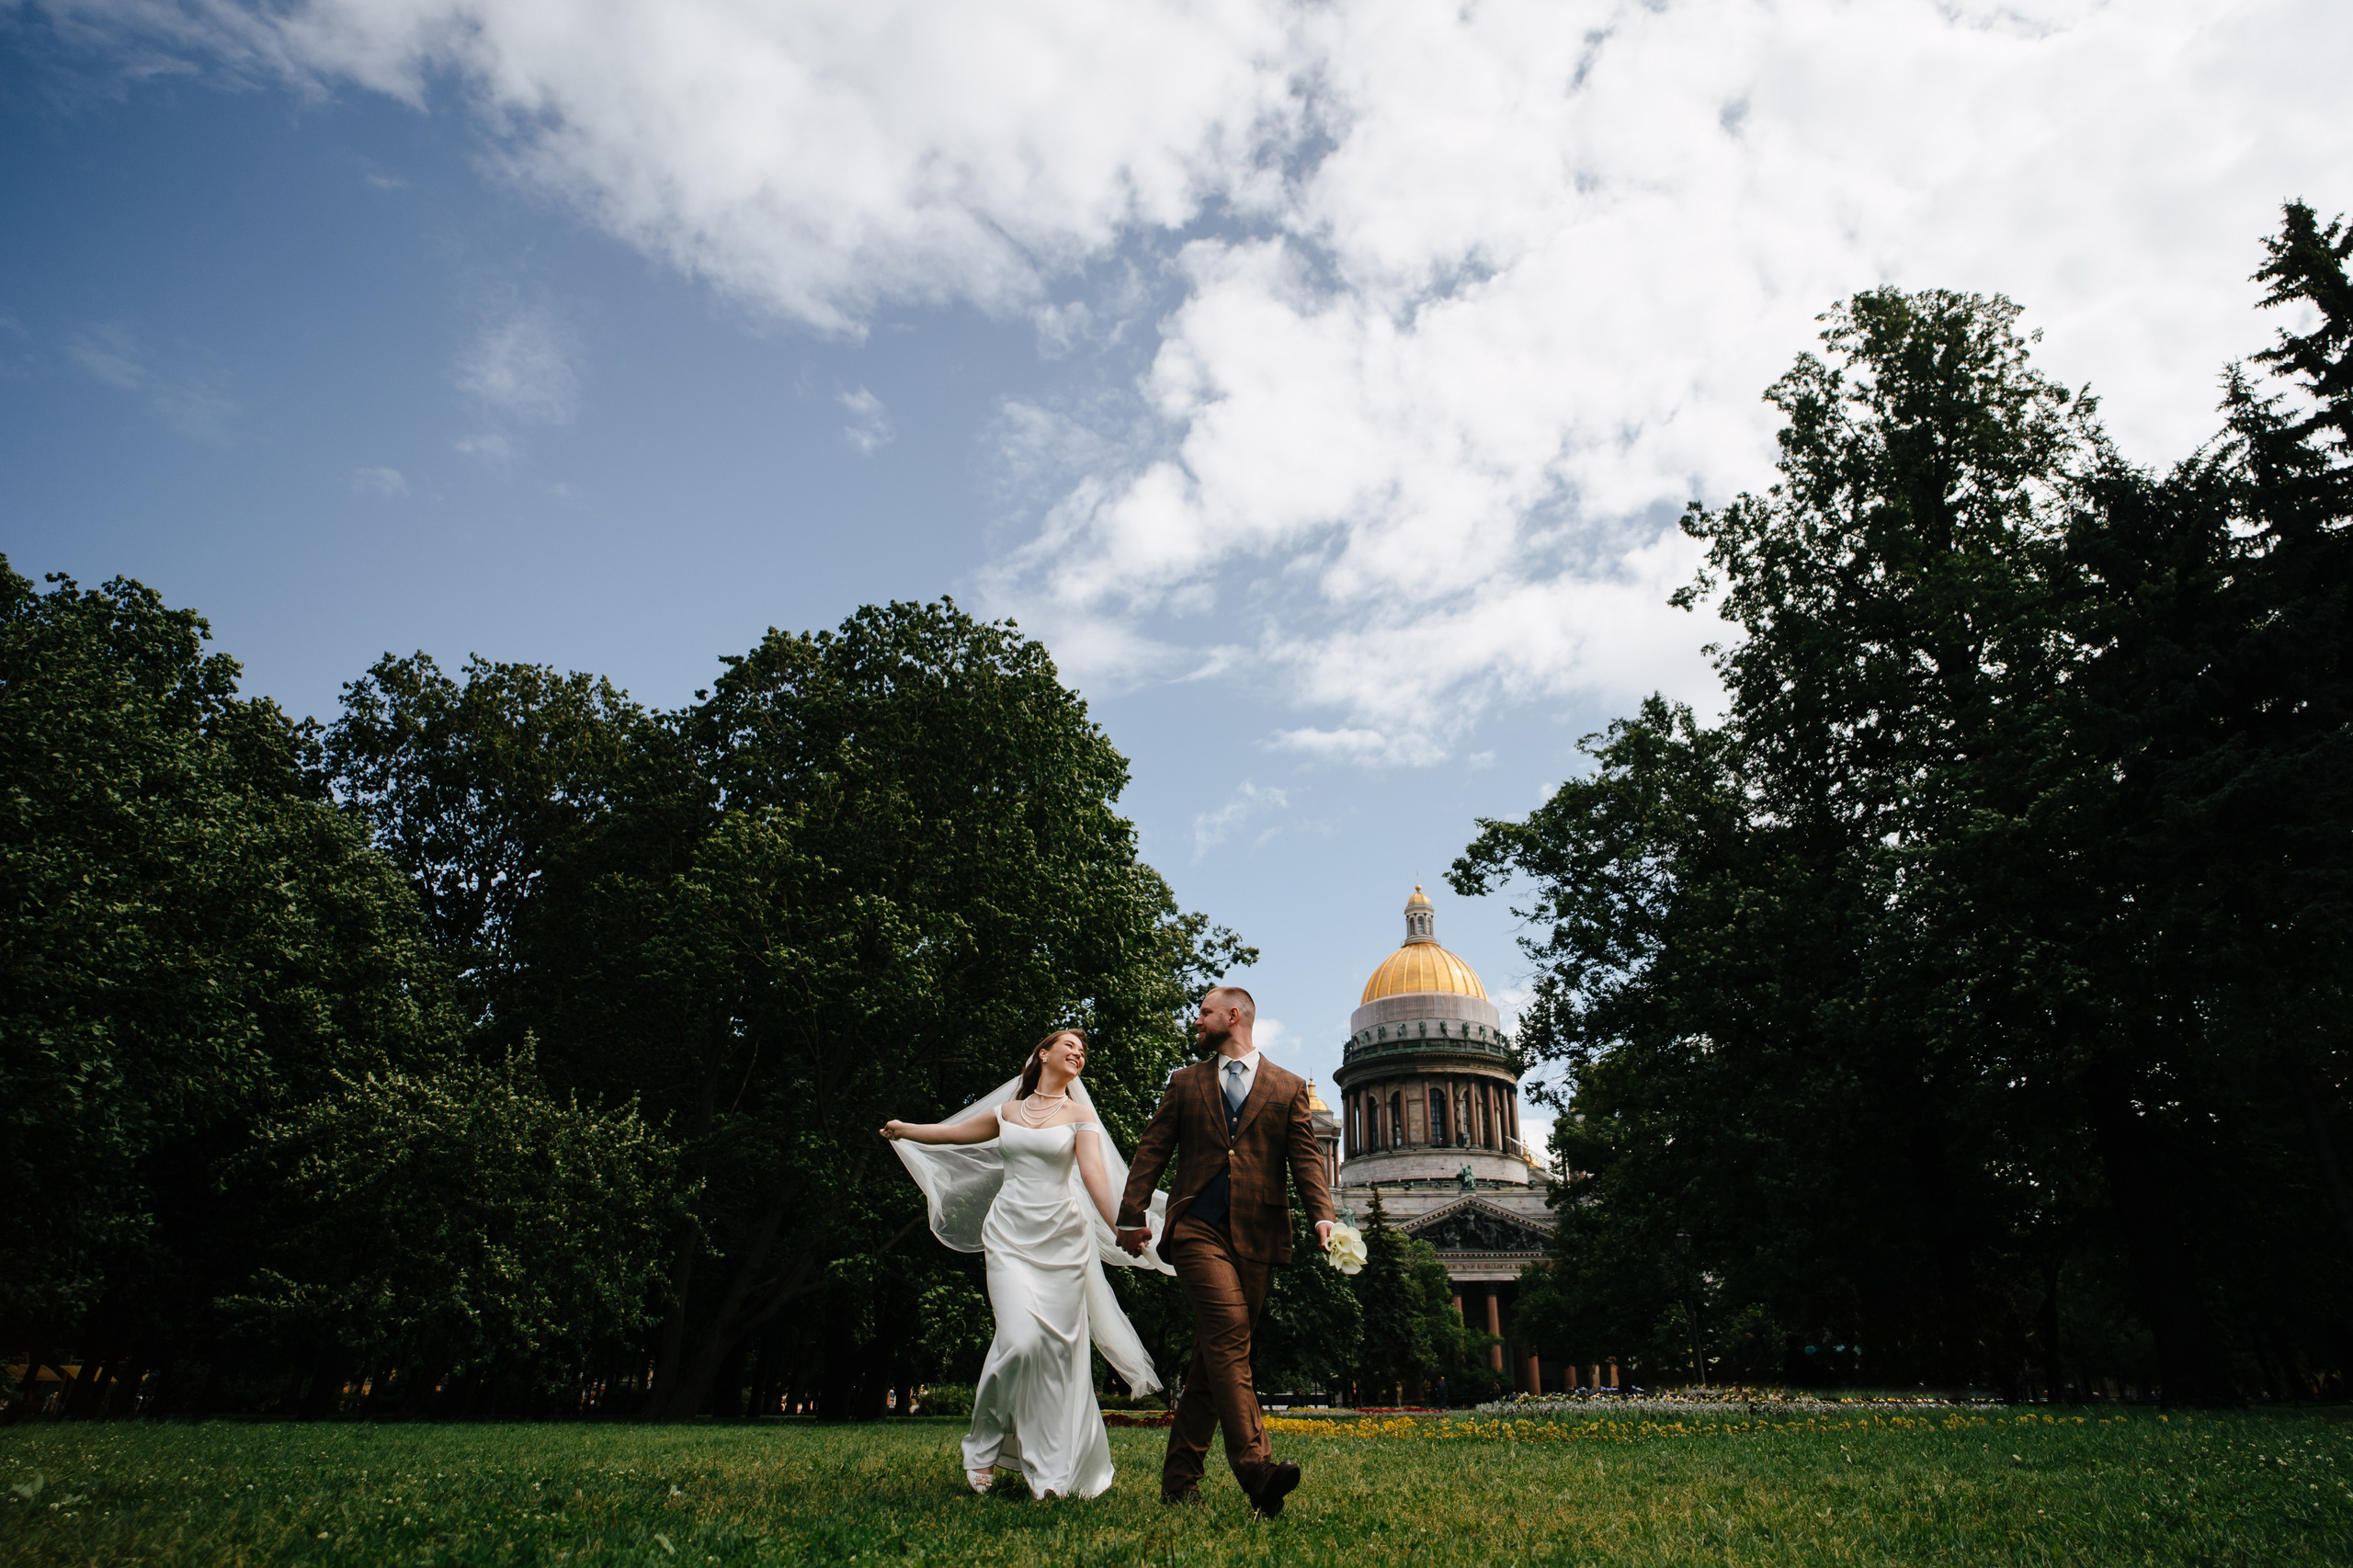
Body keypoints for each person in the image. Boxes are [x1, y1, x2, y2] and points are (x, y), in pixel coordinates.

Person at [882, 1028, 1168, 1499]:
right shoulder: (1008, 1112)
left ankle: (1050, 1472)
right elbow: (952, 1134)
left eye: (1083, 1051)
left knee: (1056, 1358)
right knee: (1017, 1342)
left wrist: (1122, 1225)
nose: (1078, 1053)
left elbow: (1095, 1176)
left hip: (1063, 1243)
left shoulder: (1080, 1116)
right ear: (1044, 1054)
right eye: (1069, 1046)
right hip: (1010, 1238)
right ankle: (982, 1449)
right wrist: (906, 1129)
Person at [1115, 986, 1336, 1517]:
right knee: (1230, 1336)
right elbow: (1152, 1149)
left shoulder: (1286, 1087)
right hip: (1195, 1229)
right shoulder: (1185, 1082)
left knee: (1213, 1357)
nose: (1198, 1021)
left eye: (1205, 1013)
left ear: (1233, 1016)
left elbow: (1305, 1160)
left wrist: (1323, 1216)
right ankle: (1257, 1470)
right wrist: (1131, 1215)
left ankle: (1179, 1483)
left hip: (1260, 1236)